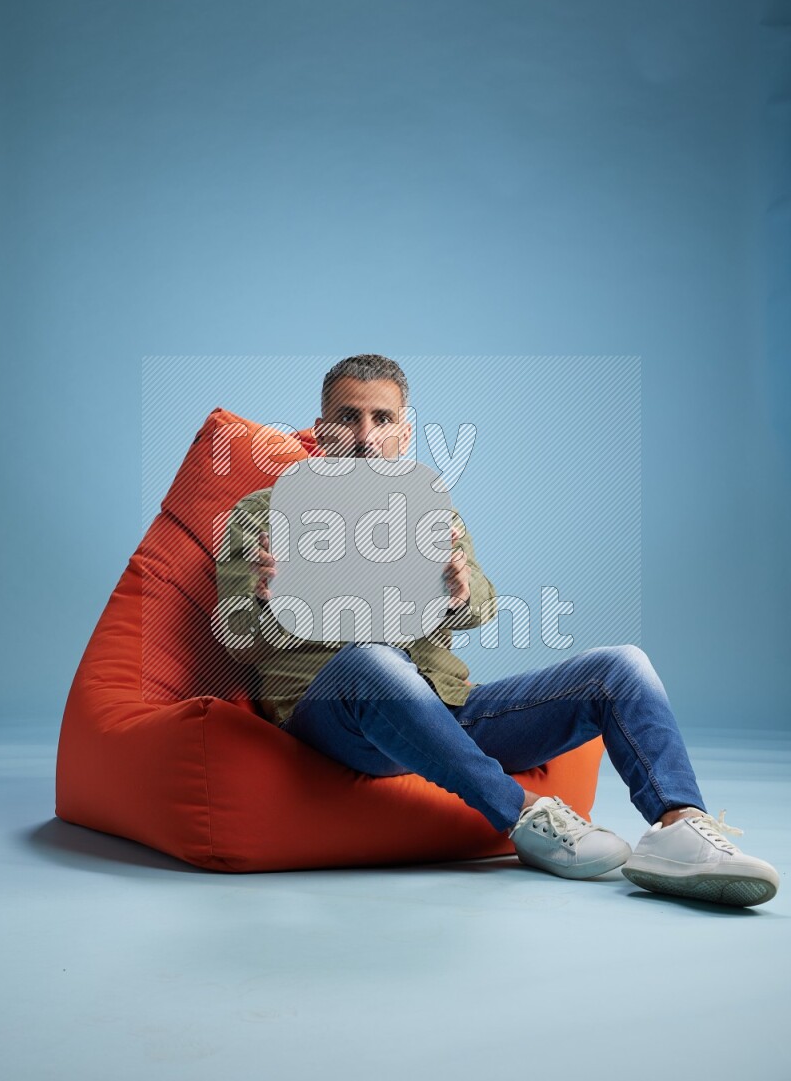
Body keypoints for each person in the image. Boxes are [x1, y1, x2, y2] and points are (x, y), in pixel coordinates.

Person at [216, 353, 779, 908]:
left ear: (403, 433)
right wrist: (267, 597)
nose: (365, 436)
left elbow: (483, 603)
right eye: (348, 417)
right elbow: (233, 635)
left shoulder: (429, 511)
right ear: (320, 431)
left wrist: (458, 592)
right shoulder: (263, 512)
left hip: (445, 709)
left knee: (621, 666)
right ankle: (526, 816)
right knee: (373, 662)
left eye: (382, 419)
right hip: (336, 716)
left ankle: (680, 828)